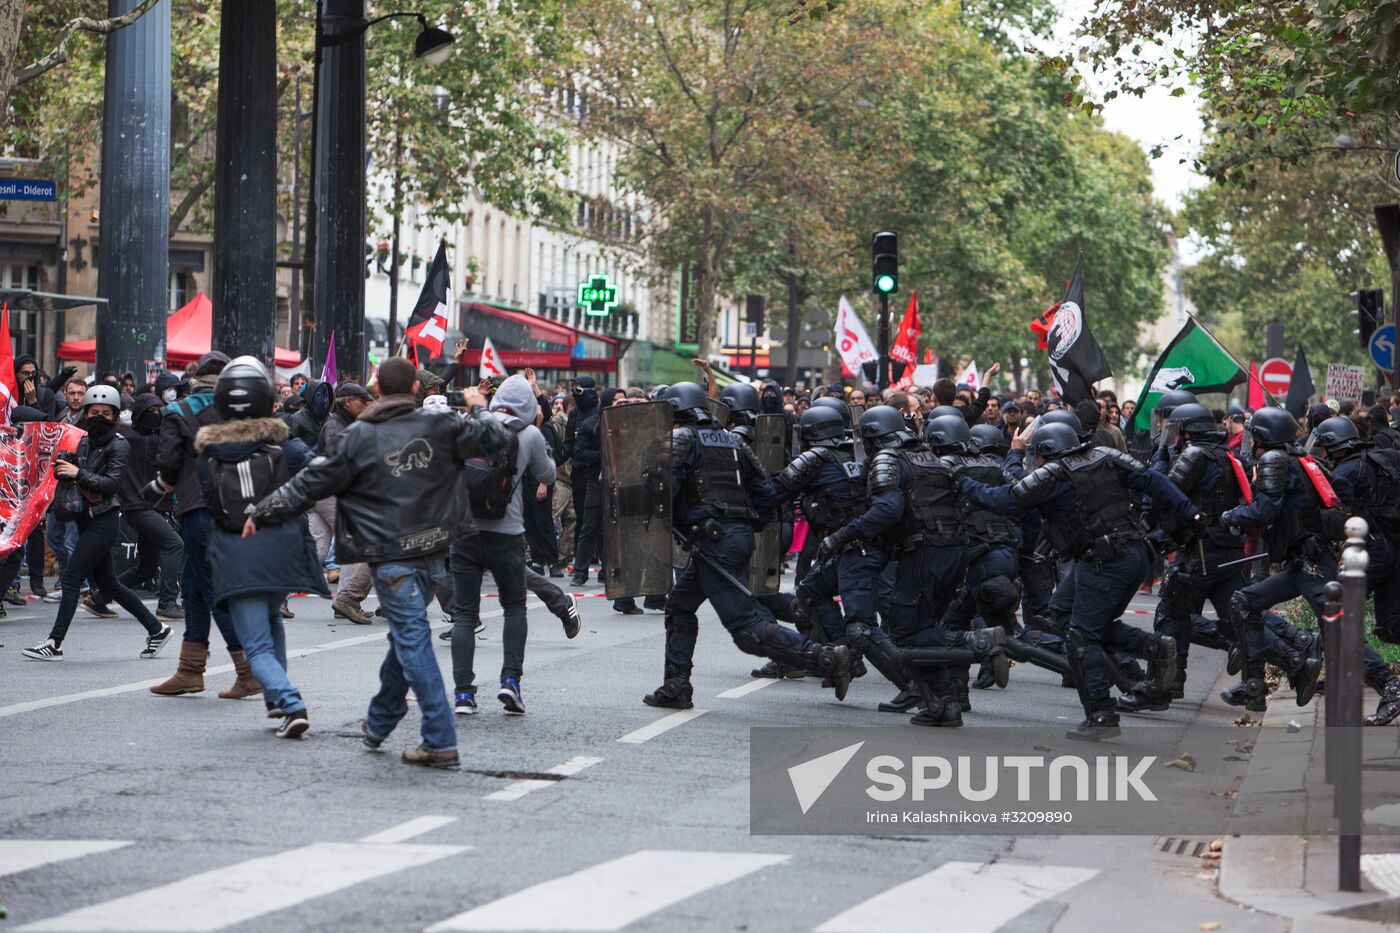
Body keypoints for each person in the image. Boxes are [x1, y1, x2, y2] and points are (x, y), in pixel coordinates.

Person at [249, 357, 504, 768]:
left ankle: (439, 738)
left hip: (393, 555)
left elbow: (313, 480)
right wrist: (479, 405)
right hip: (433, 549)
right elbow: (496, 438)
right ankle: (382, 719)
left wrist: (263, 510)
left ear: (378, 391)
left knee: (411, 641)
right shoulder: (439, 425)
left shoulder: (361, 435)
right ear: (417, 390)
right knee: (405, 640)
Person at [957, 420, 1203, 740]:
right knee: (1069, 618)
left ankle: (1102, 714)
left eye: (1038, 456)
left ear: (1046, 452)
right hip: (1134, 554)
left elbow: (1005, 499)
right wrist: (1191, 512)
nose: (1037, 462)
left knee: (1081, 637)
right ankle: (1151, 646)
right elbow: (1154, 480)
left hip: (1103, 561)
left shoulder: (1055, 475)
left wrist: (963, 482)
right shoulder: (1105, 455)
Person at [643, 382, 853, 710]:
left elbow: (660, 491)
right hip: (733, 537)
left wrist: (686, 517)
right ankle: (676, 686)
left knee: (746, 629)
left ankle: (825, 657)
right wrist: (743, 522)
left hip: (714, 541)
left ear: (676, 411)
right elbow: (766, 493)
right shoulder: (732, 441)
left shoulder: (683, 438)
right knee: (680, 605)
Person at [820, 406, 1008, 727]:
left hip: (925, 552)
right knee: (922, 630)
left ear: (874, 436)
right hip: (953, 550)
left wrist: (841, 536)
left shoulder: (889, 459)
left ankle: (977, 642)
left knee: (907, 633)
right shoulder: (931, 457)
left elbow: (888, 510)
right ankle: (943, 704)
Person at [1220, 408, 1396, 714]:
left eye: (1255, 435)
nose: (1250, 442)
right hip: (1302, 561)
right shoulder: (1304, 461)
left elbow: (1263, 511)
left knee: (1336, 627)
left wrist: (1228, 516)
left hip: (1310, 562)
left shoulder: (1275, 461)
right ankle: (1256, 687)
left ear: (1263, 436)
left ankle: (1389, 684)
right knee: (1244, 602)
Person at [197, 357, 328, 738]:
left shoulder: (209, 454)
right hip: (282, 547)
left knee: (254, 644)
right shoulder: (284, 442)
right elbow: (317, 475)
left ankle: (289, 702)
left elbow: (208, 504)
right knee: (272, 621)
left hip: (237, 551)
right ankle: (276, 698)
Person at [21, 385, 174, 662]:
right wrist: (66, 465)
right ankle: (157, 629)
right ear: (86, 414)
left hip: (103, 522)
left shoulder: (119, 444)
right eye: (94, 412)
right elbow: (82, 472)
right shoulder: (85, 441)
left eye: (106, 413)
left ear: (115, 415)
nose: (99, 417)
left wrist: (78, 472)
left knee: (70, 580)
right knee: (111, 585)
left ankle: (54, 643)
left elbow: (111, 484)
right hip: (86, 519)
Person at [148, 351, 262, 700]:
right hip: (235, 509)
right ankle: (190, 671)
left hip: (198, 509)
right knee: (195, 588)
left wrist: (156, 488)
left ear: (195, 376)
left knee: (212, 590)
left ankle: (248, 671)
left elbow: (169, 462)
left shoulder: (178, 411)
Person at [447, 372, 558, 716]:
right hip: (507, 532)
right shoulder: (530, 435)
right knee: (514, 607)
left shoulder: (470, 424)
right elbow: (548, 475)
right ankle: (511, 681)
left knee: (464, 614)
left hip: (464, 530)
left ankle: (464, 693)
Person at [1301, 416, 1400, 724]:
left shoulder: (1344, 472)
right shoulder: (1377, 460)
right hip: (1394, 546)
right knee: (1392, 624)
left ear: (1332, 445)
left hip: (1371, 551)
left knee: (1339, 617)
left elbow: (1335, 519)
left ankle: (1390, 686)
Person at [84, 392, 185, 621]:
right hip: (139, 507)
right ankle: (167, 603)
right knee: (174, 544)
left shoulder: (134, 436)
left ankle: (99, 598)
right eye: (151, 411)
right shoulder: (131, 438)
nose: (155, 415)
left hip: (143, 507)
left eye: (158, 411)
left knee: (147, 568)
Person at [319, 382, 375, 625]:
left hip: (324, 492)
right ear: (347, 401)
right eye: (362, 400)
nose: (366, 404)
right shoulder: (335, 426)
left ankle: (278, 597)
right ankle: (348, 600)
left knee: (317, 550)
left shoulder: (345, 424)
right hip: (331, 492)